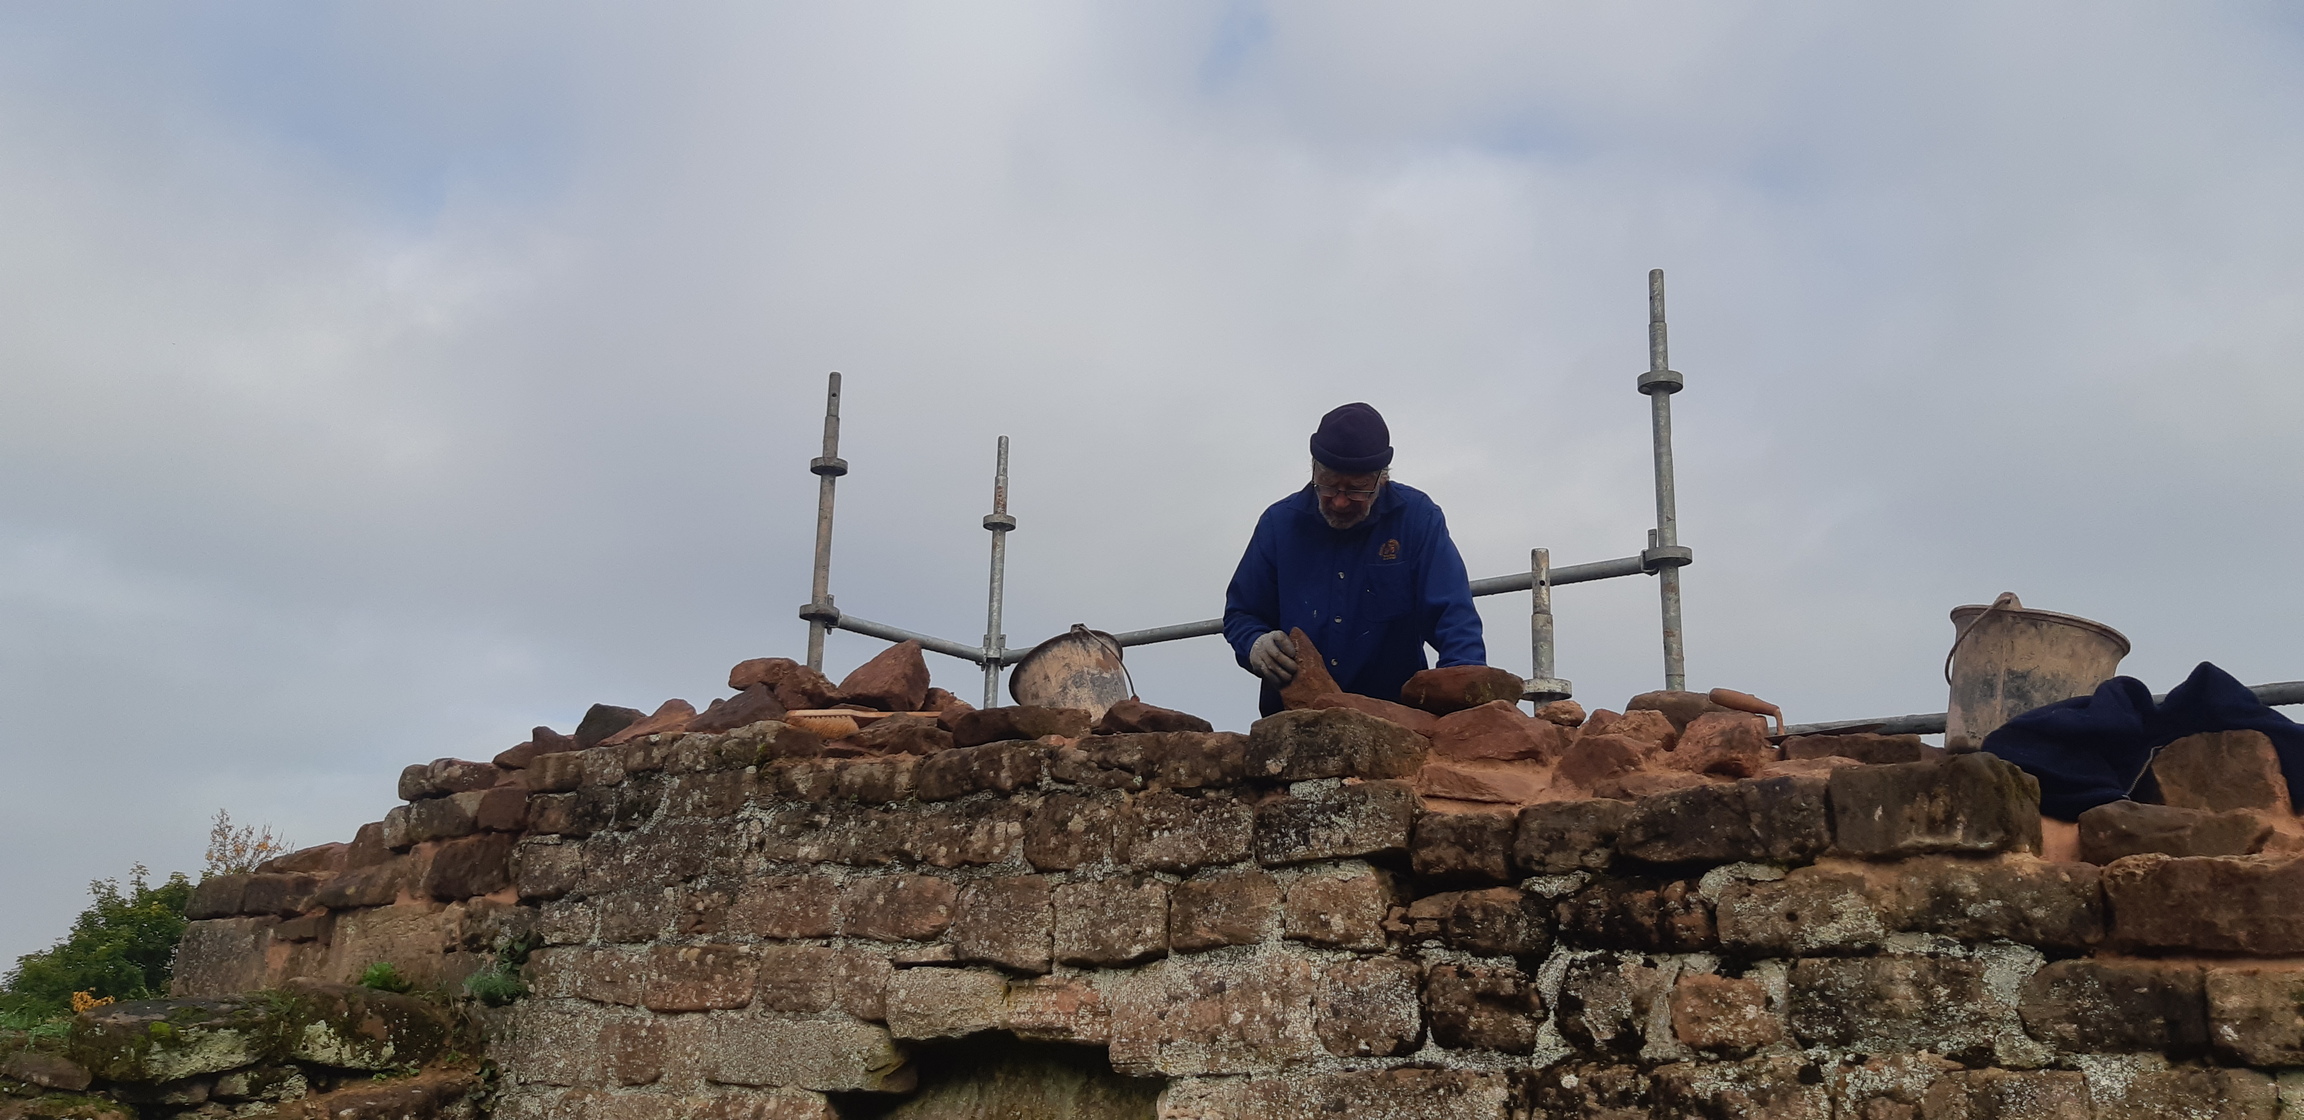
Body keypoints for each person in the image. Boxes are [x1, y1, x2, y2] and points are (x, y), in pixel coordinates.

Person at [1223, 402, 1486, 715]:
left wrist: (1464, 702)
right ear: (1313, 470)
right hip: (1295, 723)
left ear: (1382, 479)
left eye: (1356, 489)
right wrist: (1254, 643)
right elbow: (1242, 613)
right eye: (1328, 485)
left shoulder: (1417, 519)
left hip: (1394, 721)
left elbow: (1453, 617)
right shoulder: (1278, 525)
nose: (1340, 501)